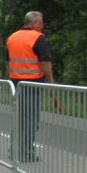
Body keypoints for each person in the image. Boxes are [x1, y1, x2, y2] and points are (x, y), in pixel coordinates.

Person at [5, 10, 54, 162]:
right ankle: (26, 153)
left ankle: (14, 151)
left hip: (15, 83)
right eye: (41, 22)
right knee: (31, 120)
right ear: (35, 23)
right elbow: (45, 63)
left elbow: (8, 62)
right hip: (33, 84)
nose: (42, 25)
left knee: (19, 119)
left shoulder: (12, 37)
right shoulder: (37, 37)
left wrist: (13, 76)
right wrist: (51, 82)